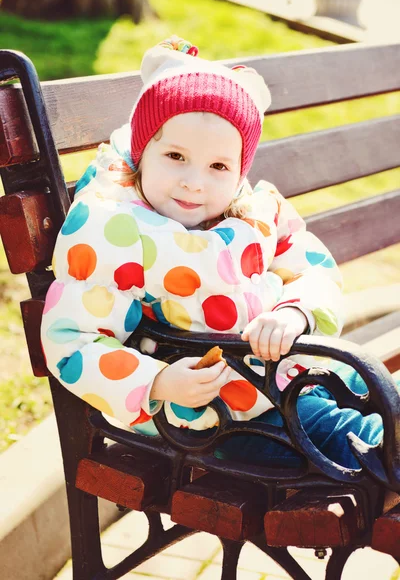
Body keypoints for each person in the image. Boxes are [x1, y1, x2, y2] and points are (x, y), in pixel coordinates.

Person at [41, 36, 389, 473]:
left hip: (295, 376)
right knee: (357, 440)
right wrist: (158, 381)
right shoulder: (117, 233)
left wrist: (296, 312)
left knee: (380, 390)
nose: (195, 182)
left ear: (240, 169)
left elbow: (313, 268)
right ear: (141, 153)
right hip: (228, 420)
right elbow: (71, 342)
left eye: (219, 167)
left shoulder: (256, 211)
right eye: (175, 156)